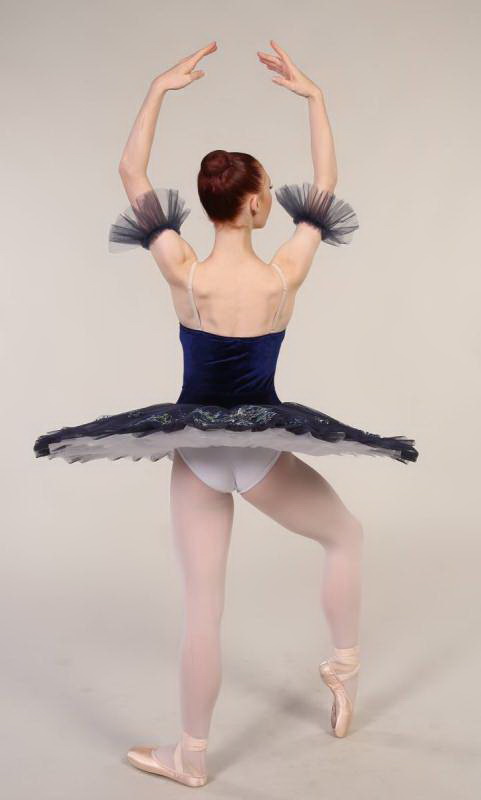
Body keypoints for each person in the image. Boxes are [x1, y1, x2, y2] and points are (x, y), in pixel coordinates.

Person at [33, 40, 418, 788]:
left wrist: (157, 89)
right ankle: (343, 667)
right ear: (254, 205)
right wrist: (314, 98)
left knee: (202, 610)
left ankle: (191, 757)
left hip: (195, 449)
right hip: (263, 447)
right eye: (266, 190)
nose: (272, 197)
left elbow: (131, 173)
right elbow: (328, 182)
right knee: (345, 537)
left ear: (211, 207)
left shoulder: (185, 272)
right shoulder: (283, 275)